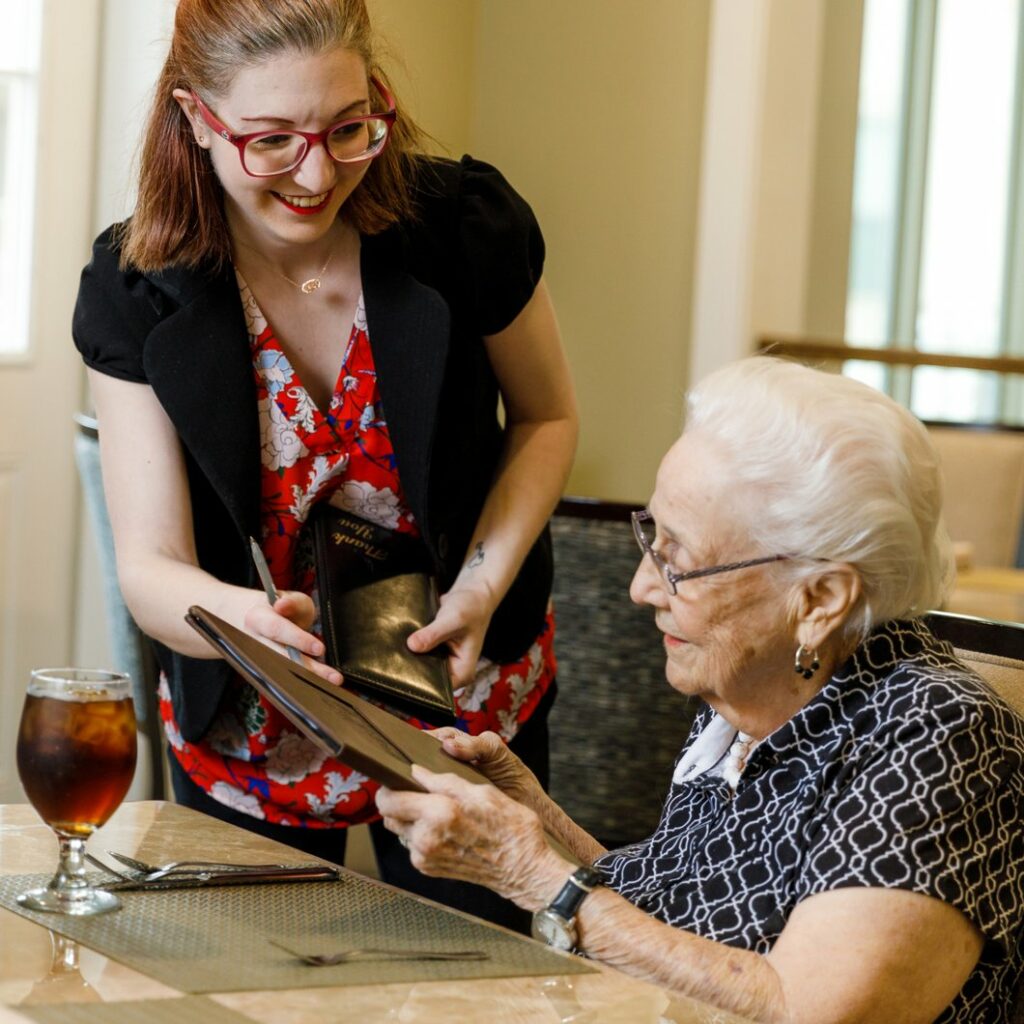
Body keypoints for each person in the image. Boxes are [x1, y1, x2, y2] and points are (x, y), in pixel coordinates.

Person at [71, 0, 577, 932]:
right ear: (195, 118)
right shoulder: (133, 285)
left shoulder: (467, 226)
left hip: (459, 690)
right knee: (240, 986)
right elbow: (150, 567)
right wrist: (246, 622)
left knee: (467, 988)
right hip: (250, 711)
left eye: (349, 128)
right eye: (271, 141)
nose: (317, 174)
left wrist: (482, 585)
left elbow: (546, 419)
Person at [376, 357, 1024, 1023]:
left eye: (677, 559)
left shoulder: (933, 734)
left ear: (821, 599)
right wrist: (534, 818)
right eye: (651, 535)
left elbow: (803, 1008)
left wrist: (533, 874)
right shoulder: (756, 688)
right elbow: (682, 918)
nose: (641, 586)